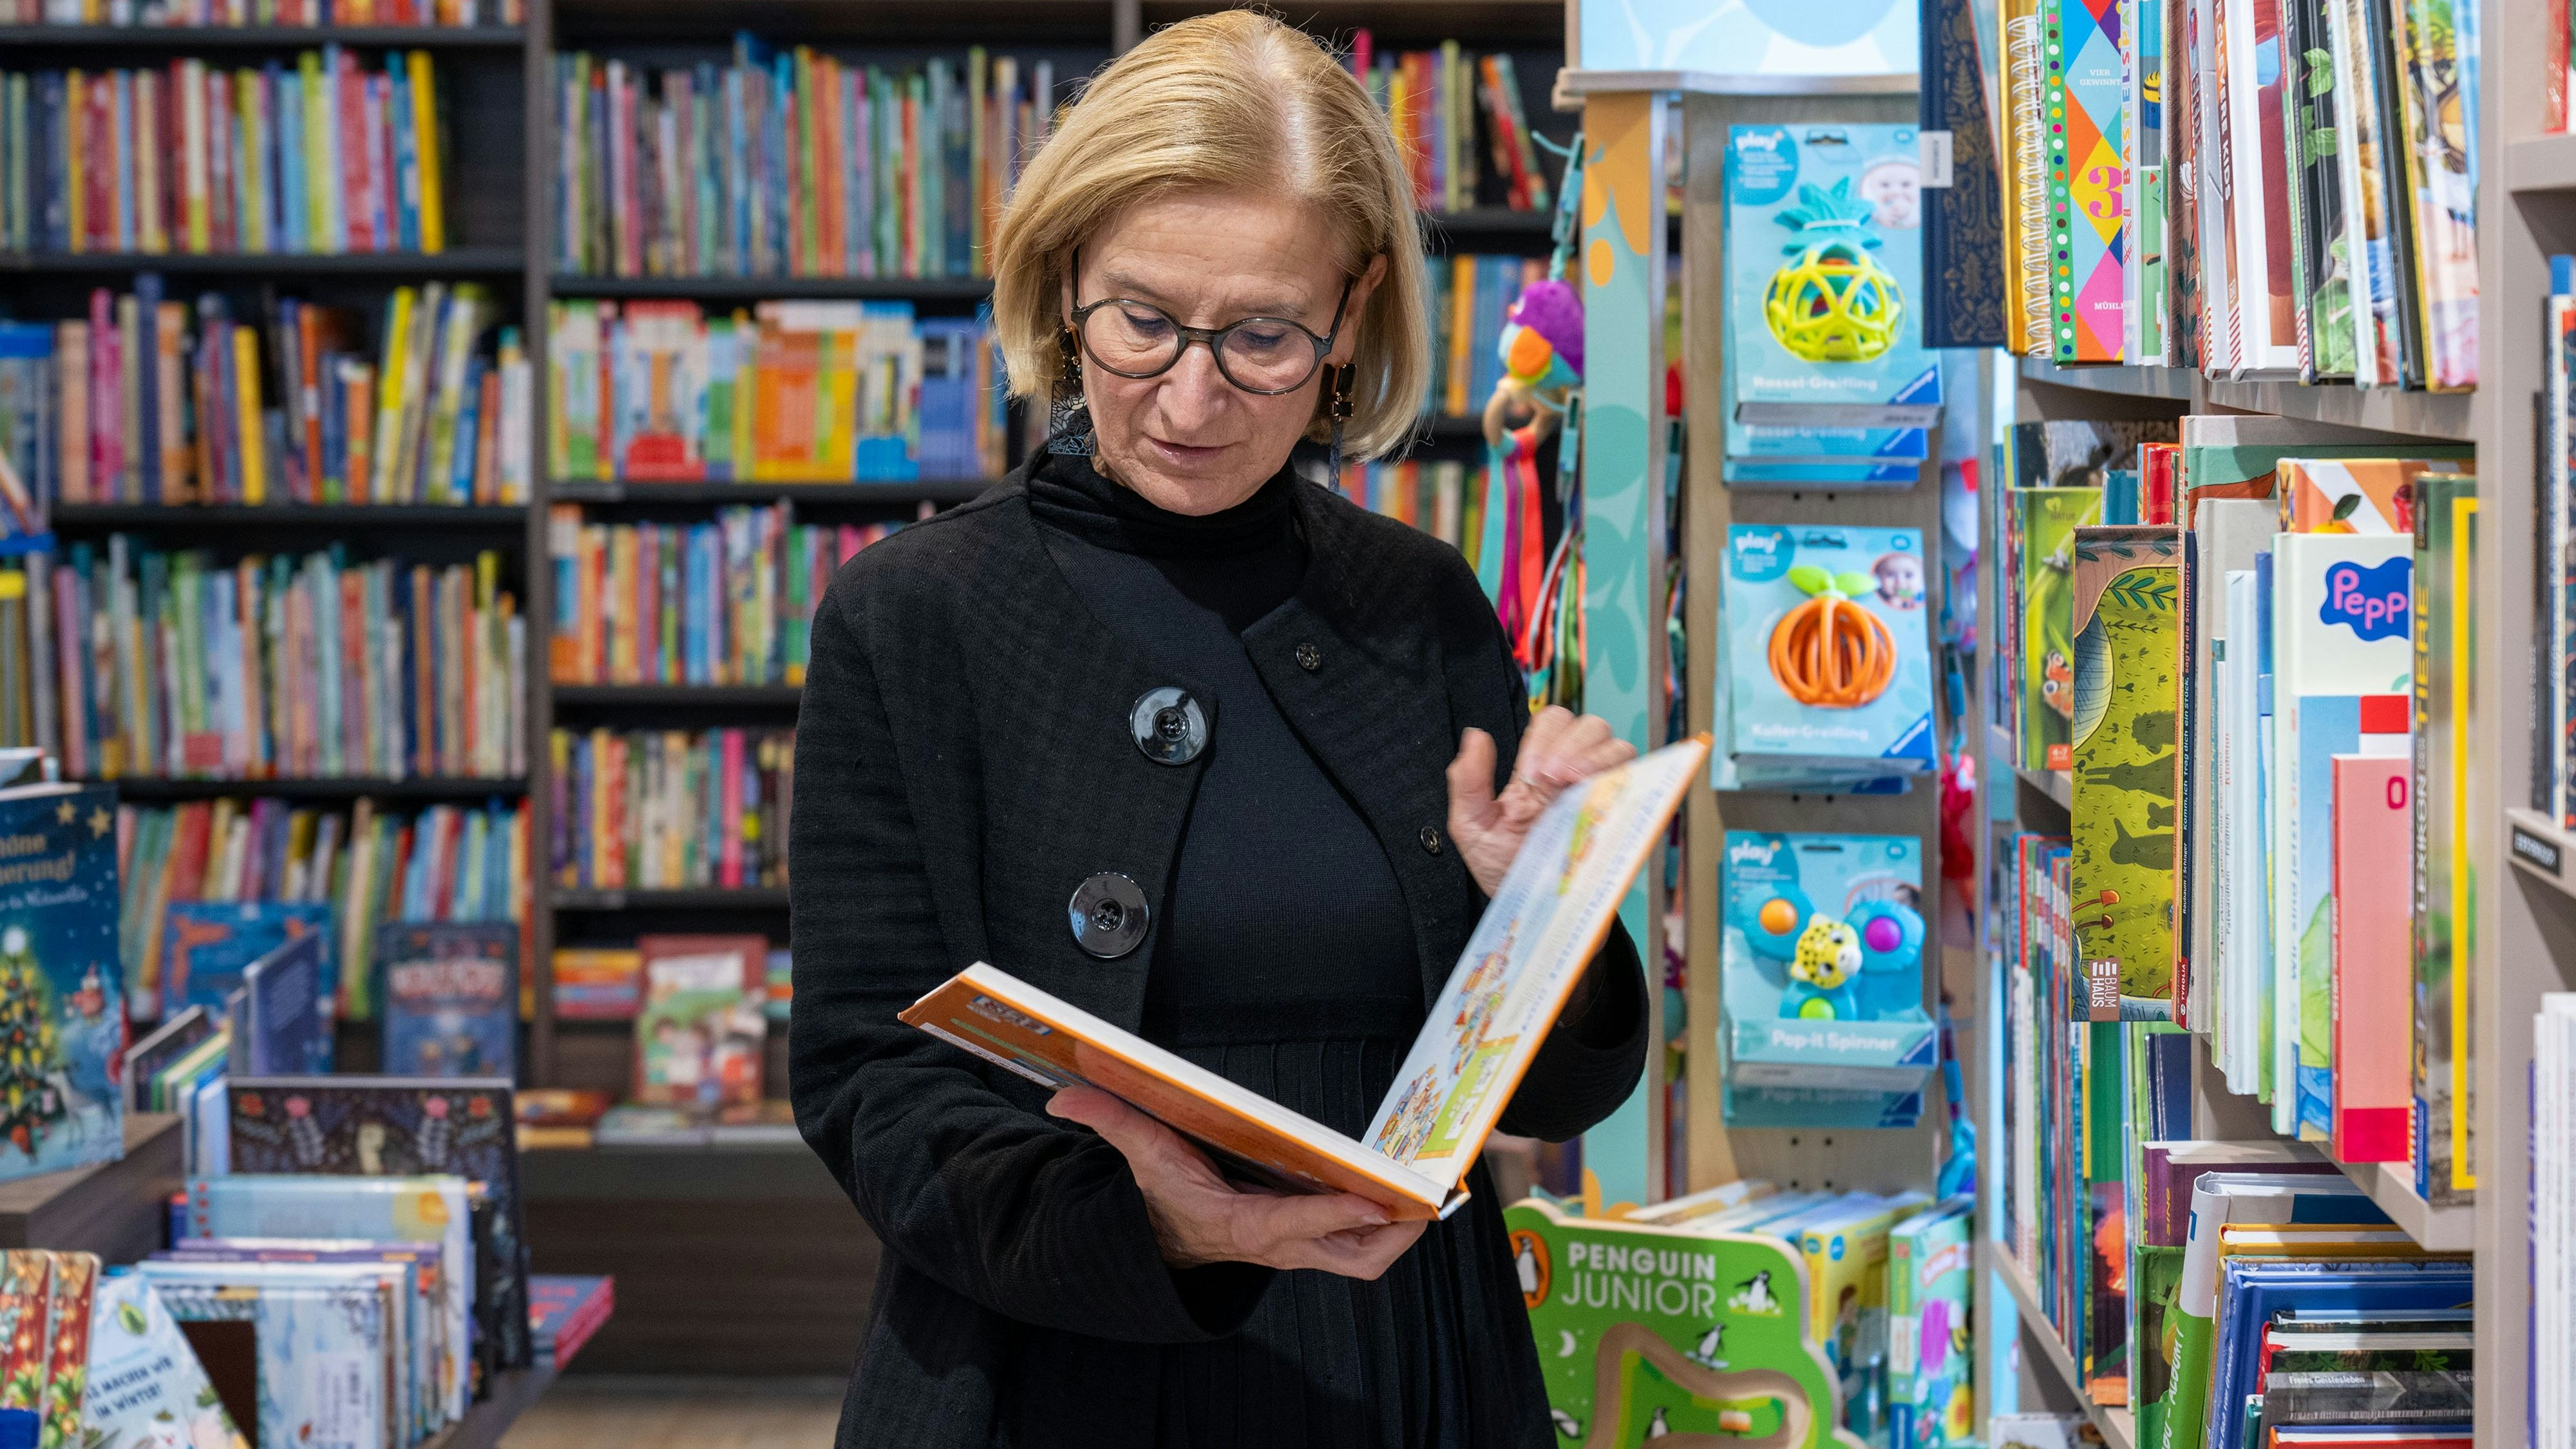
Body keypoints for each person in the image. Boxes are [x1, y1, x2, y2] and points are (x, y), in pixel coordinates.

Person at [788, 14, 1648, 1447]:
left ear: (1352, 314)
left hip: (1399, 1365)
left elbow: (1554, 1089)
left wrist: (1543, 909)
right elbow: (867, 1083)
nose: (1190, 398)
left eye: (1261, 336)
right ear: (1064, 278)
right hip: (1040, 1369)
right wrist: (1162, 1231)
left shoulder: (1416, 606)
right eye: (1142, 320)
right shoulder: (913, 616)